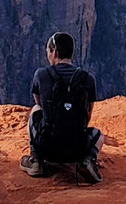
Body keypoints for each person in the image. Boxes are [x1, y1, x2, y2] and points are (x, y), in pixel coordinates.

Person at [21, 31, 103, 183]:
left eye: (48, 51)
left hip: (47, 146)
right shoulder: (88, 78)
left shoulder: (41, 74)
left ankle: (36, 160)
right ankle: (87, 160)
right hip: (77, 148)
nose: (47, 54)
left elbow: (39, 103)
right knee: (99, 135)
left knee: (35, 111)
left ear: (54, 52)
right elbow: (88, 113)